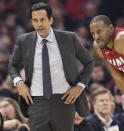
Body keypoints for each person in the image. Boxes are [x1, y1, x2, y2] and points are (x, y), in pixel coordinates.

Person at [8, 2, 94, 131]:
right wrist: (19, 82)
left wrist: (80, 86)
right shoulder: (24, 40)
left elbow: (89, 62)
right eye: (35, 20)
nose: (39, 24)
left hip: (65, 101)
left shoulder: (69, 38)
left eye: (42, 19)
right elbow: (12, 65)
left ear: (51, 20)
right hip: (36, 102)